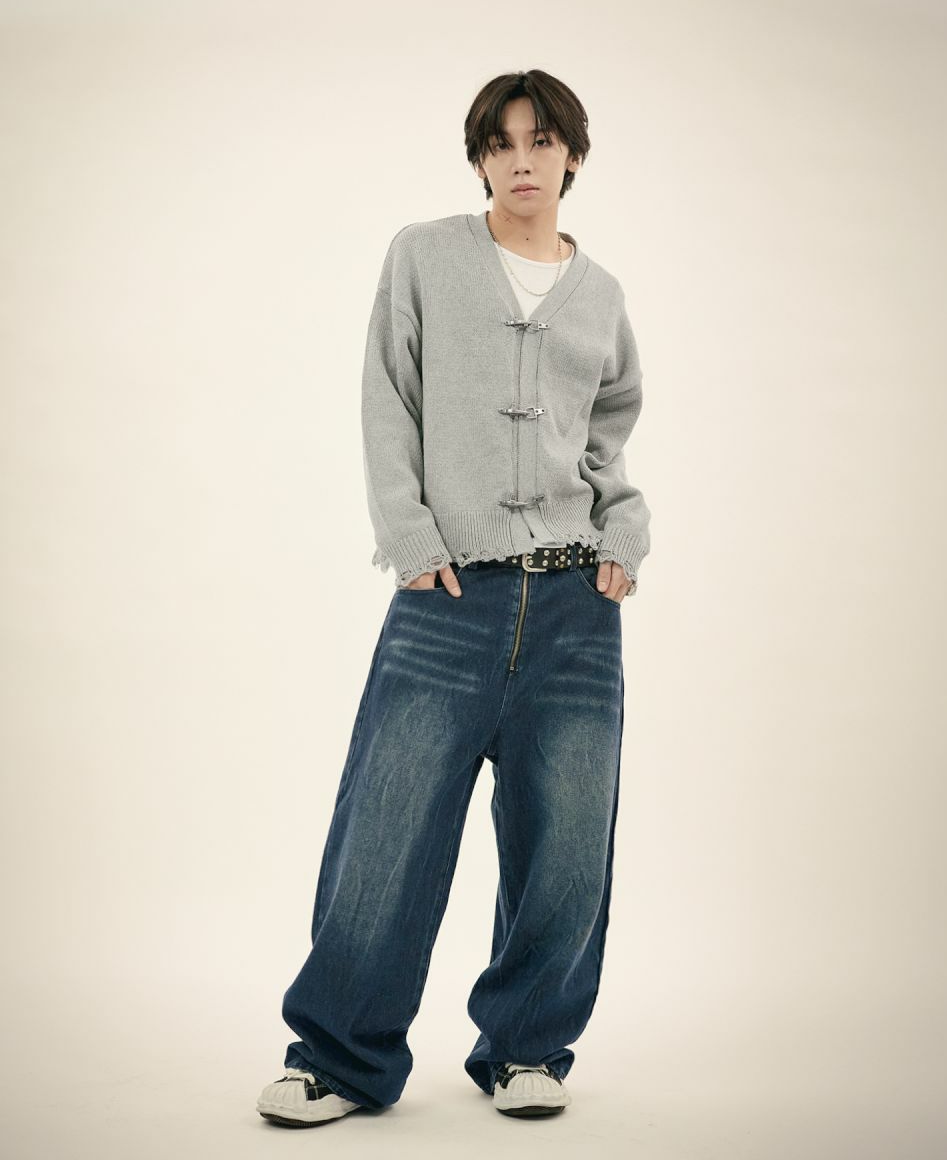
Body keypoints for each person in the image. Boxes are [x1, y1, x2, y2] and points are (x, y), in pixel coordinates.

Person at [256, 68, 651, 1127]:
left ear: (572, 156)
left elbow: (608, 433)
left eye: (541, 141)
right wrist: (408, 536)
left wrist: (623, 531)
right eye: (500, 142)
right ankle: (338, 1057)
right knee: (385, 832)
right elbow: (388, 396)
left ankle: (527, 1047)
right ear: (479, 158)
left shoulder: (601, 296)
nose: (521, 160)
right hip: (448, 594)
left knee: (567, 846)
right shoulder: (425, 255)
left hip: (575, 607)